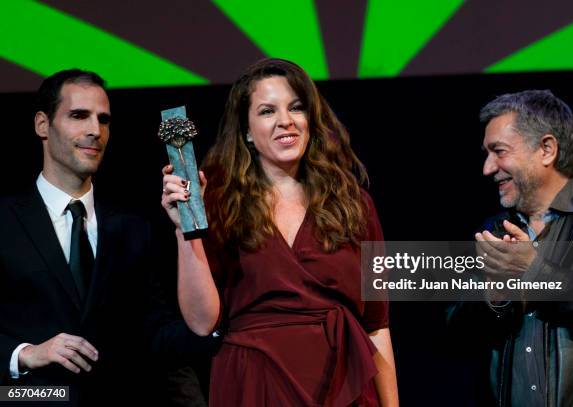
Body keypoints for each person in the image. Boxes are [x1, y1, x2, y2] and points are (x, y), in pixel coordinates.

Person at [161, 58, 399, 406]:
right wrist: (186, 231)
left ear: (310, 120)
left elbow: (377, 325)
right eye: (267, 111)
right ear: (245, 130)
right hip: (255, 385)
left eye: (296, 107)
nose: (285, 121)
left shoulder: (354, 204)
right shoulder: (217, 203)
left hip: (341, 386)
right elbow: (201, 322)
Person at [0, 69, 161, 406]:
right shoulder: (4, 221)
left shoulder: (134, 229)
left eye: (103, 120)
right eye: (78, 116)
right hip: (30, 399)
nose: (94, 131)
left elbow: (155, 333)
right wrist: (24, 354)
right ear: (42, 125)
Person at [448, 90, 573, 406]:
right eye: (486, 153)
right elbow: (454, 336)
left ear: (547, 150)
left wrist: (535, 271)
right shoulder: (493, 231)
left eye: (499, 151)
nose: (487, 168)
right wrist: (493, 296)